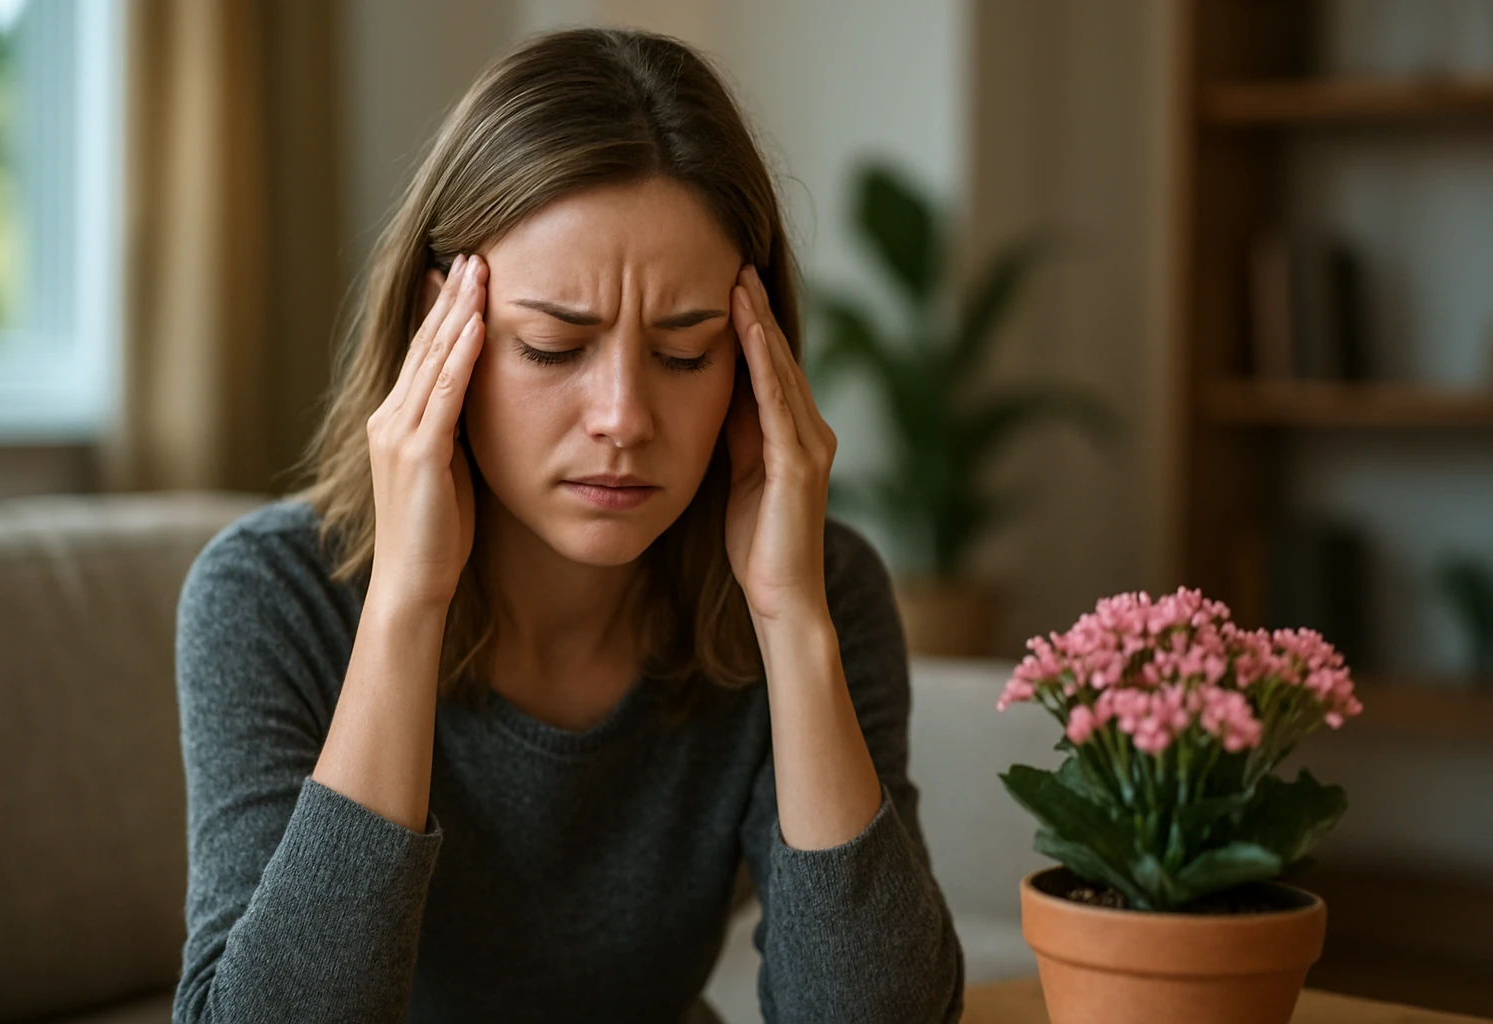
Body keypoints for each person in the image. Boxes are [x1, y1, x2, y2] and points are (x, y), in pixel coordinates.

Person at [172, 25, 964, 1024]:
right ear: (439, 332)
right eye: (554, 346)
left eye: (686, 353)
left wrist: (793, 623)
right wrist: (407, 607)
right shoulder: (266, 596)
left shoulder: (818, 586)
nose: (625, 418)